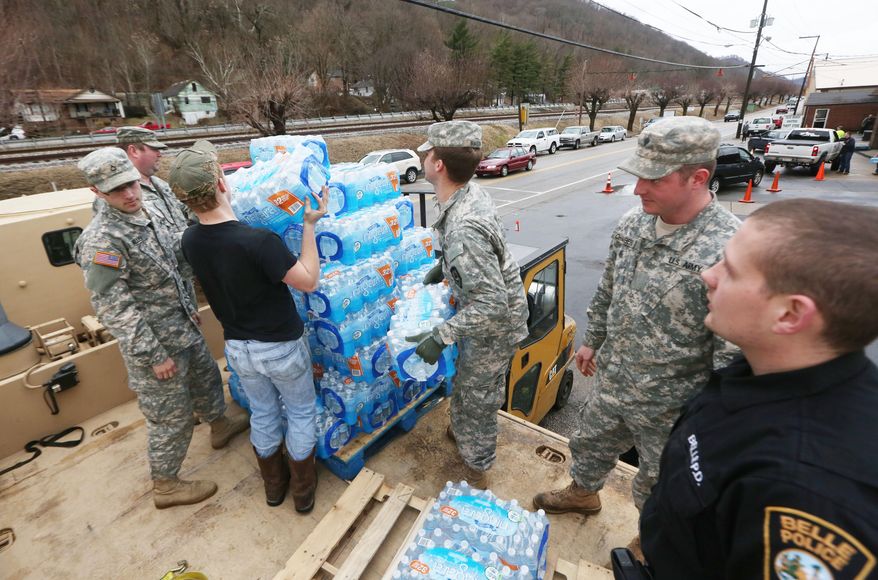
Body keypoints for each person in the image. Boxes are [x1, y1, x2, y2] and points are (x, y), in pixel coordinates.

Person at [639, 198, 878, 578]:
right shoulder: (762, 369)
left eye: (731, 270)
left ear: (790, 314)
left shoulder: (805, 495)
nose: (708, 275)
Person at [532, 117, 740, 551]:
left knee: (660, 477)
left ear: (697, 178)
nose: (639, 188)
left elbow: (733, 352)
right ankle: (583, 493)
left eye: (653, 179)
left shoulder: (730, 249)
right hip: (615, 377)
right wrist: (593, 339)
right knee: (589, 441)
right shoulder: (634, 224)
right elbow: (610, 287)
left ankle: (652, 540)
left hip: (673, 401)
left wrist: (715, 420)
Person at [74, 148, 249, 509]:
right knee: (172, 417)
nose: (129, 195)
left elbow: (173, 262)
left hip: (182, 325)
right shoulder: (102, 240)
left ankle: (219, 425)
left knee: (207, 378)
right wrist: (154, 356)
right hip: (155, 345)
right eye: (117, 190)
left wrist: (188, 304)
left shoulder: (149, 211)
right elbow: (113, 307)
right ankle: (166, 485)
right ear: (97, 192)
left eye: (131, 184)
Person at [168, 141, 327, 512]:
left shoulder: (190, 239)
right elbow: (307, 281)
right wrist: (308, 225)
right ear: (222, 183)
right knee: (301, 412)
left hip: (238, 348)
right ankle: (302, 493)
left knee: (264, 413)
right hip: (281, 347)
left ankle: (274, 487)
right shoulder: (259, 241)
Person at [410, 120, 529, 490]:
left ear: (439, 165)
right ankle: (463, 431)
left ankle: (476, 469)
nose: (423, 157)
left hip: (495, 325)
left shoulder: (463, 227)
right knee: (466, 380)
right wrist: (444, 266)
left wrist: (441, 335)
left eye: (427, 152)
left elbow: (491, 304)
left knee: (479, 397)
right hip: (485, 312)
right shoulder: (467, 193)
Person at [116, 126, 195, 234]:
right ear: (133, 151)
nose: (159, 154)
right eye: (154, 149)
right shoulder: (118, 195)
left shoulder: (160, 184)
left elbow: (185, 212)